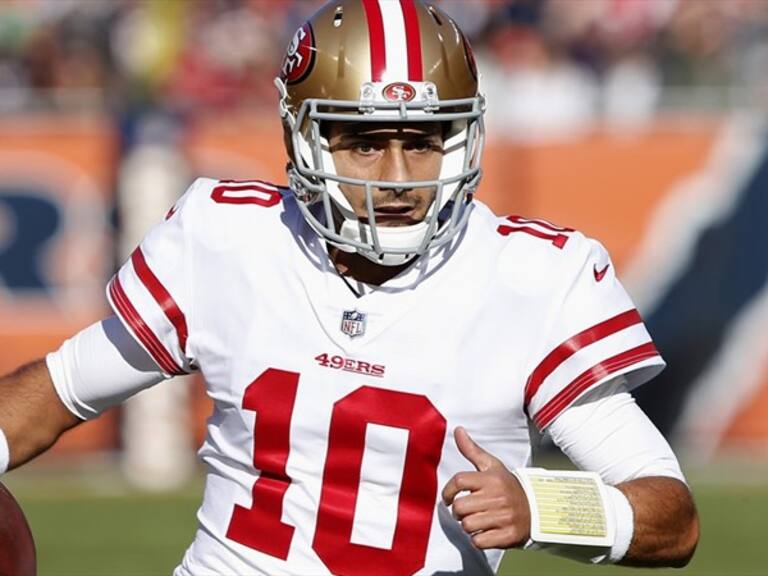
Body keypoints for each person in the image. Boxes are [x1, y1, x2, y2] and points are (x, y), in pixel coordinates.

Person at [0, 1, 698, 574]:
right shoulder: (230, 240)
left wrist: (543, 507)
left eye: (423, 141)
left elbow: (672, 515)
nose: (397, 174)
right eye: (365, 142)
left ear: (464, 140)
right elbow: (56, 394)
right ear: (306, 141)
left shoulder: (533, 280)